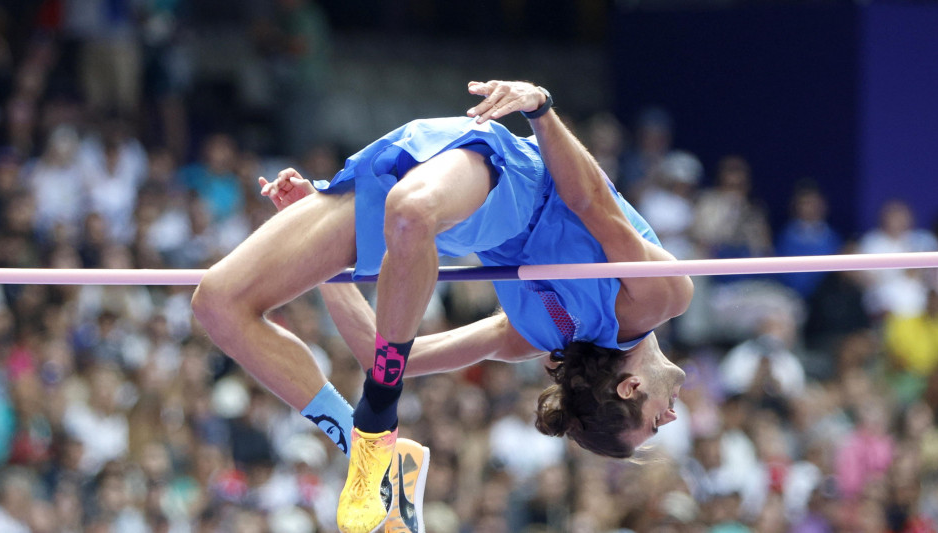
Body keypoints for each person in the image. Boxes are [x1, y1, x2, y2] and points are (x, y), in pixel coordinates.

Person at [191, 80, 694, 533]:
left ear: (630, 388)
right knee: (225, 301)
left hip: (454, 205)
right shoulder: (660, 297)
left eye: (654, 423)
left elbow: (380, 348)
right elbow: (589, 203)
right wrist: (541, 110)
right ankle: (373, 429)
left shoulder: (532, 336)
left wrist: (328, 275)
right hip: (485, 182)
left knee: (227, 301)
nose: (670, 419)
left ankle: (372, 436)